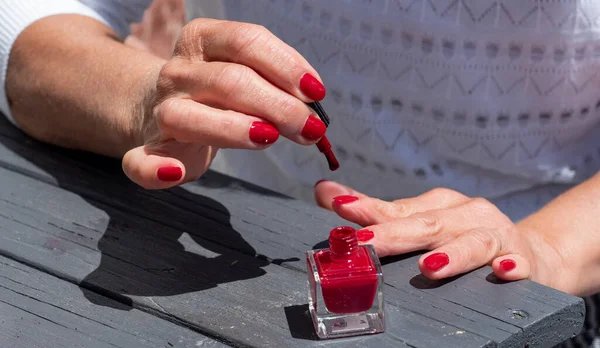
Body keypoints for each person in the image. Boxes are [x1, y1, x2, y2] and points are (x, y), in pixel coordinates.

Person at [1, 1, 600, 345]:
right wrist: (142, 98)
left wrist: (550, 246)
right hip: (248, 254)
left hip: (534, 295)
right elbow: (29, 20)